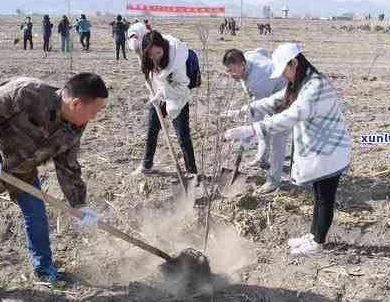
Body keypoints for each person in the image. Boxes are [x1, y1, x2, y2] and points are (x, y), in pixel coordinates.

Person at [0, 73, 108, 286]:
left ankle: (44, 268)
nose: (93, 117)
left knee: (36, 216)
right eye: (93, 112)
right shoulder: (25, 93)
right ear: (76, 103)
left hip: (21, 171)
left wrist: (79, 204)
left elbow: (68, 167)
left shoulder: (74, 127)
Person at [225, 43, 351, 255]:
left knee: (324, 197)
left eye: (284, 71)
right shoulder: (302, 82)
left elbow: (288, 117)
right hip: (321, 148)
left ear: (293, 64)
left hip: (331, 149)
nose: (284, 76)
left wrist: (252, 130)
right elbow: (278, 100)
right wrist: (248, 108)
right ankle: (313, 235)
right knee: (319, 194)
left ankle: (317, 243)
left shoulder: (315, 88)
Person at [222, 48, 287, 194]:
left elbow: (257, 113)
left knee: (278, 137)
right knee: (262, 128)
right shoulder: (248, 56)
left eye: (232, 70)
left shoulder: (258, 81)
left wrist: (247, 136)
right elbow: (262, 51)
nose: (231, 74)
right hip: (270, 89)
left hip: (285, 96)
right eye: (228, 70)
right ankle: (262, 158)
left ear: (243, 64)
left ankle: (273, 181)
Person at [133, 30, 197, 177]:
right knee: (151, 131)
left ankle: (192, 171)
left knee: (182, 135)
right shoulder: (149, 57)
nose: (154, 57)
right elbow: (136, 31)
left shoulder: (177, 61)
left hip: (177, 98)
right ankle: (146, 165)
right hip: (157, 96)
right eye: (150, 54)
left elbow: (182, 89)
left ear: (164, 48)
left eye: (157, 53)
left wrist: (163, 93)